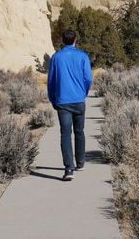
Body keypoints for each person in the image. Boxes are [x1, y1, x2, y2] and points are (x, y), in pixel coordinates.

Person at [47, 29, 93, 181]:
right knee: (79, 132)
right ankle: (80, 163)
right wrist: (83, 93)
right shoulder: (82, 56)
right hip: (78, 100)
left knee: (65, 134)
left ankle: (68, 169)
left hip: (63, 101)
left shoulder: (56, 57)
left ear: (63, 41)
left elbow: (51, 81)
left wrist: (53, 99)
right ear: (75, 40)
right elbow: (88, 78)